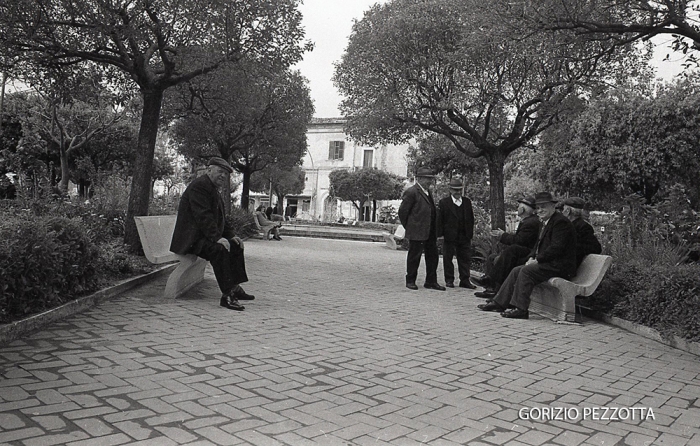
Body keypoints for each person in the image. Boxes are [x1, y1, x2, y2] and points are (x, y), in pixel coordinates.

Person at [170, 157, 254, 312]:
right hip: (190, 240)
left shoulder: (212, 188)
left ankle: (235, 287)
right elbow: (203, 216)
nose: (223, 176)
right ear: (209, 170)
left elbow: (221, 217)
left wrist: (230, 235)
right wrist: (217, 238)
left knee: (235, 244)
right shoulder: (200, 187)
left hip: (200, 237)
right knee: (219, 249)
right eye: (220, 171)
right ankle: (227, 295)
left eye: (226, 174)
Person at [477, 192, 577, 319]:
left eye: (543, 206)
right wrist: (532, 257)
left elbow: (556, 248)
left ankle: (521, 309)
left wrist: (537, 260)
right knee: (516, 270)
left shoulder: (560, 222)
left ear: (553, 206)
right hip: (550, 264)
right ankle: (499, 303)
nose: (540, 210)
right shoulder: (546, 221)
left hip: (561, 266)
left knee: (526, 271)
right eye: (538, 207)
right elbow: (538, 245)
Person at [473, 195, 541, 298]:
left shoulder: (530, 222)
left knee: (511, 250)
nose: (517, 208)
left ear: (523, 209)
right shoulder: (528, 221)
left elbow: (519, 241)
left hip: (526, 254)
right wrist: (504, 235)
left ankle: (490, 282)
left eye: (519, 206)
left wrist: (503, 235)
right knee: (492, 257)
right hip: (523, 252)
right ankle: (491, 289)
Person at [398, 167, 445, 291]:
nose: (430, 181)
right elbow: (403, 212)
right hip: (417, 230)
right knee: (414, 256)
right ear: (419, 178)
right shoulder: (412, 192)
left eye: (431, 179)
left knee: (432, 256)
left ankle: (431, 281)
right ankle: (410, 280)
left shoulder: (428, 192)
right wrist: (410, 226)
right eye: (427, 178)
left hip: (429, 231)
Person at [436, 178, 476, 289]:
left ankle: (465, 280)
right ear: (450, 190)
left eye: (459, 190)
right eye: (455, 190)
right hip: (450, 235)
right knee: (448, 258)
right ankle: (449, 280)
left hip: (464, 235)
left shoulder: (467, 202)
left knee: (465, 258)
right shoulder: (444, 202)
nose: (457, 192)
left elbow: (471, 219)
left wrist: (470, 233)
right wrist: (440, 235)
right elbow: (440, 220)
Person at [561, 197, 602, 266]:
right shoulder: (567, 225)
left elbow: (596, 248)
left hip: (567, 265)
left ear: (568, 211)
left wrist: (569, 247)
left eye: (563, 209)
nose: (562, 212)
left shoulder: (583, 227)